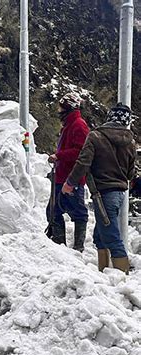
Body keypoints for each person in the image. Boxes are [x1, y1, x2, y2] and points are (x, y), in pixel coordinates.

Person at [62, 104, 135, 273]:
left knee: (111, 235)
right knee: (100, 235)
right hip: (119, 194)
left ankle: (123, 277)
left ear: (109, 117)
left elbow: (83, 163)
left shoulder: (95, 136)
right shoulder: (130, 143)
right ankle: (104, 271)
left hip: (103, 193)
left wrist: (69, 183)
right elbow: (130, 173)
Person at [47, 93, 89, 251]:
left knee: (78, 213)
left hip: (72, 179)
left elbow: (81, 152)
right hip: (61, 177)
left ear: (68, 108)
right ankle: (60, 246)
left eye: (61, 107)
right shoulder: (69, 125)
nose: (58, 110)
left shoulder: (79, 125)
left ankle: (78, 247)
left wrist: (59, 155)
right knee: (53, 211)